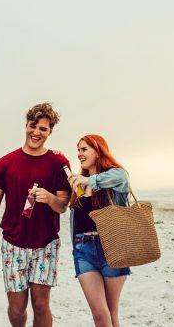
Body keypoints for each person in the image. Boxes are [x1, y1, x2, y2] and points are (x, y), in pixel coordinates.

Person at [0, 102, 71, 327]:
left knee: (40, 305)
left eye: (43, 129)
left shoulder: (58, 162)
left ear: (50, 131)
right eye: (32, 126)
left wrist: (50, 198)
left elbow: (63, 205)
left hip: (45, 244)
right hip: (13, 243)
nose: (36, 132)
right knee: (17, 310)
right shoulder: (5, 163)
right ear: (26, 125)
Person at [66, 134, 131, 327]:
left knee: (111, 313)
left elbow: (122, 175)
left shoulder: (115, 177)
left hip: (112, 248)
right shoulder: (79, 183)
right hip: (83, 250)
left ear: (98, 150)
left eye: (84, 149)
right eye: (78, 150)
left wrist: (88, 181)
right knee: (100, 314)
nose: (79, 154)